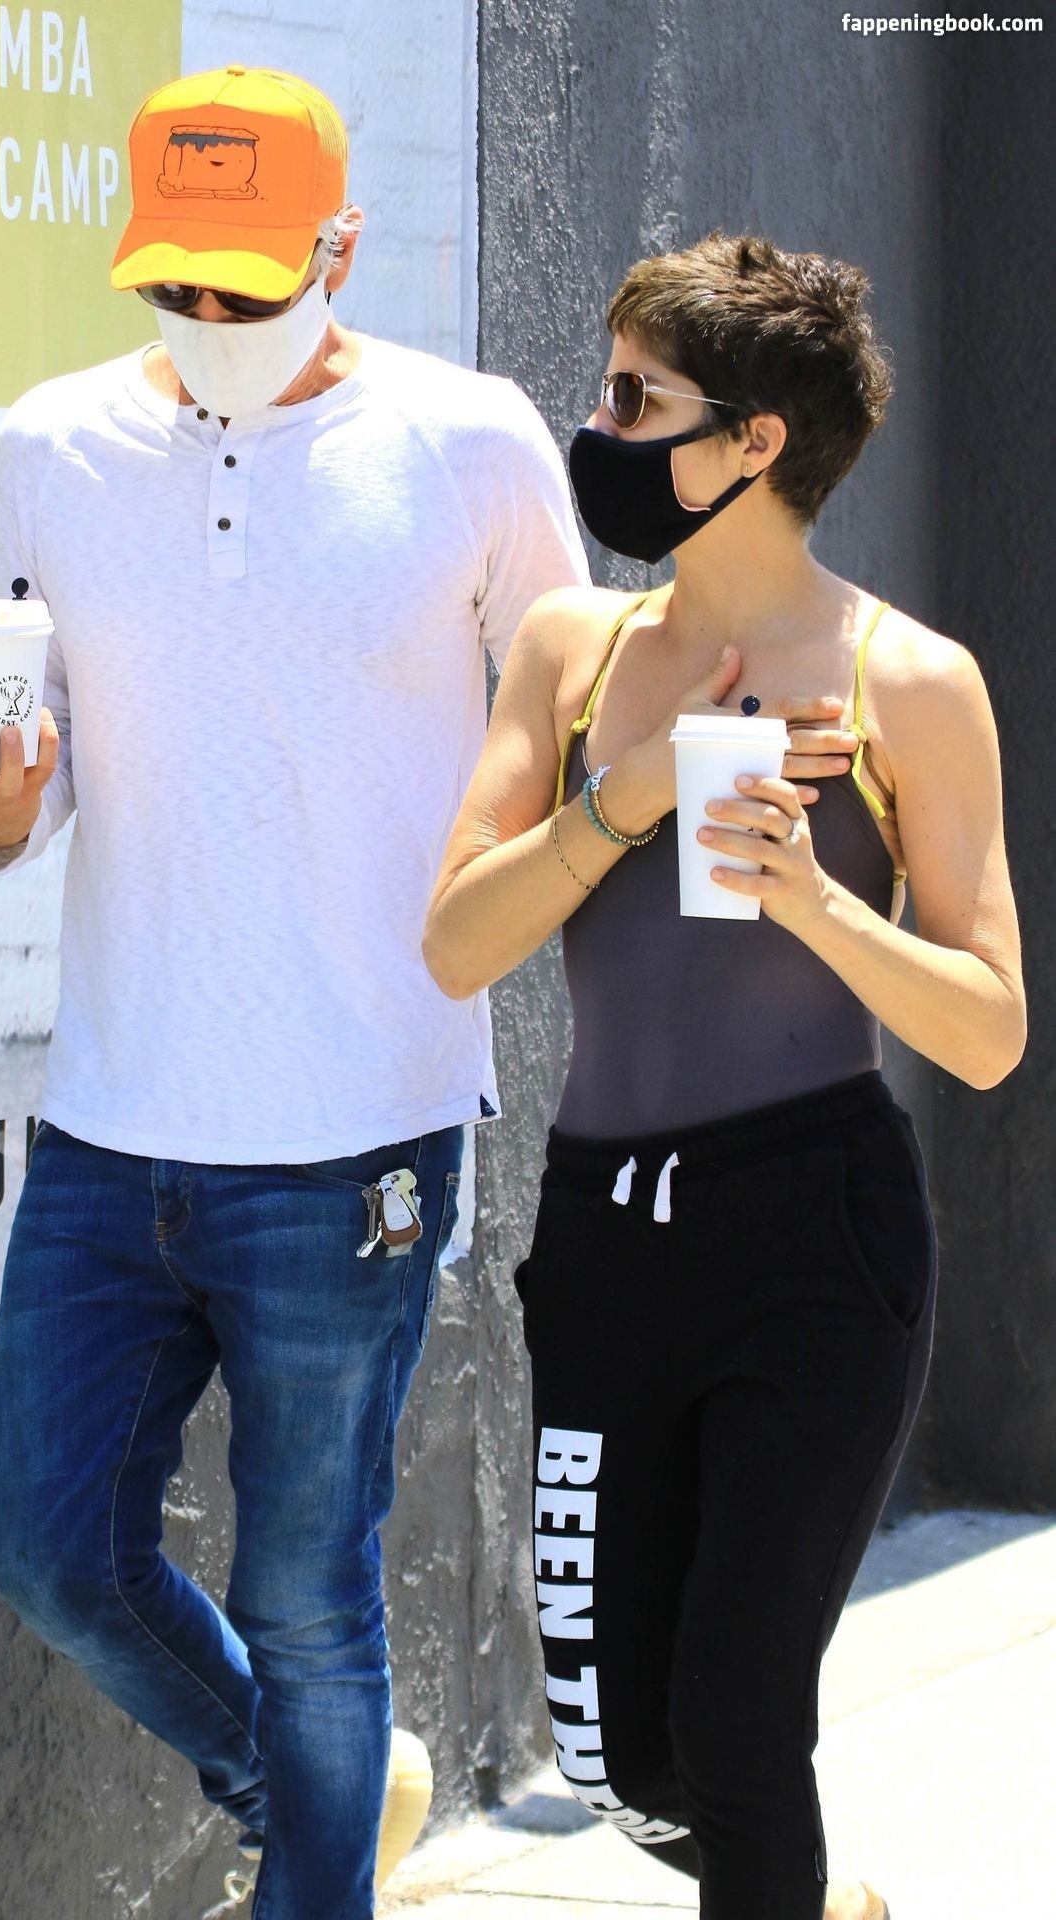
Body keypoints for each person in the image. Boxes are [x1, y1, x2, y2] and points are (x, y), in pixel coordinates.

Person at [0, 64, 588, 1920]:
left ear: (338, 246)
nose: (207, 316)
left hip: (355, 1132)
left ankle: (311, 1862)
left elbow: (574, 724)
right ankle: (308, 1802)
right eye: (174, 283)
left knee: (310, 1601)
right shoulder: (51, 446)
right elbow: (26, 784)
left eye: (245, 280)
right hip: (108, 1122)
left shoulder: (469, 443)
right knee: (55, 1559)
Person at [422, 232, 1025, 1920]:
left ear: (753, 441)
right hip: (605, 1234)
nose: (596, 426)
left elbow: (987, 1029)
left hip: (812, 1234)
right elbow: (456, 945)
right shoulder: (573, 650)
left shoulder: (908, 682)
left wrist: (814, 901)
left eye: (636, 399)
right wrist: (626, 794)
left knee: (740, 1723)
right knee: (619, 1749)